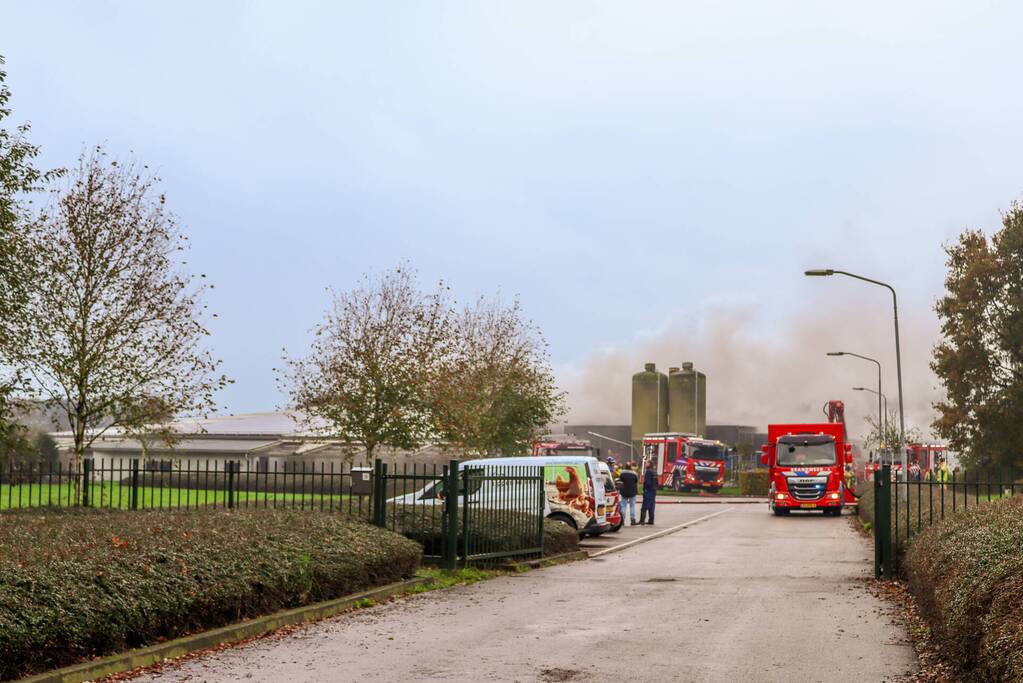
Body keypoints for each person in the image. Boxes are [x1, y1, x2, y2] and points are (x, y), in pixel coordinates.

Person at [638, 461, 657, 525]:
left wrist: (645, 489)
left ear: (649, 464)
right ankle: (651, 520)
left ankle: (642, 520)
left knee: (644, 506)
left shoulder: (648, 471)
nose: (645, 464)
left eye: (646, 463)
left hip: (648, 491)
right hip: (653, 491)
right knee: (651, 506)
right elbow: (657, 482)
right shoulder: (654, 471)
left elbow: (648, 482)